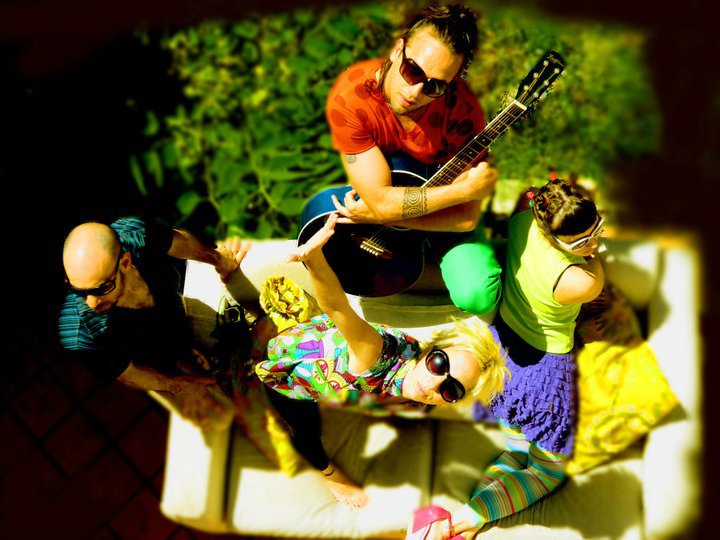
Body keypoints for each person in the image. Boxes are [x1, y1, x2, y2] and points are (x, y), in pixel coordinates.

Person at [255, 213, 509, 509]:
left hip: (316, 342)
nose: (434, 383)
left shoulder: (413, 360)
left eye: (451, 390)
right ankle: (328, 473)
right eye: (440, 365)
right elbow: (336, 307)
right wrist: (314, 258)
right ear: (432, 350)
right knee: (305, 433)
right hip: (289, 375)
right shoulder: (375, 355)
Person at [420, 179, 605, 538]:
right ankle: (456, 524)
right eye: (582, 241)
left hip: (503, 354)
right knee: (546, 472)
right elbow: (595, 267)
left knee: (516, 451)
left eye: (598, 229)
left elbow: (535, 202)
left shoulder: (522, 220)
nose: (592, 243)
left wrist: (572, 224)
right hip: (543, 377)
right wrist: (593, 252)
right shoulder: (580, 281)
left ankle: (465, 524)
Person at [325, 3, 501, 314]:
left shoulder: (464, 113)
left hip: (442, 214)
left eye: (435, 85)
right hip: (395, 204)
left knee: (478, 297)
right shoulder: (352, 96)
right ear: (397, 50)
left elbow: (465, 218)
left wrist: (385, 215)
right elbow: (380, 201)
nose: (416, 91)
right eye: (413, 70)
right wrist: (463, 191)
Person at [58, 216, 250, 429]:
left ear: (125, 262)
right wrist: (176, 386)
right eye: (78, 291)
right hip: (156, 363)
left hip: (180, 313)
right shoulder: (79, 333)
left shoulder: (136, 235)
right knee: (221, 418)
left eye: (102, 288)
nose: (91, 303)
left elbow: (180, 242)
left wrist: (219, 260)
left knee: (245, 340)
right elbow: (128, 373)